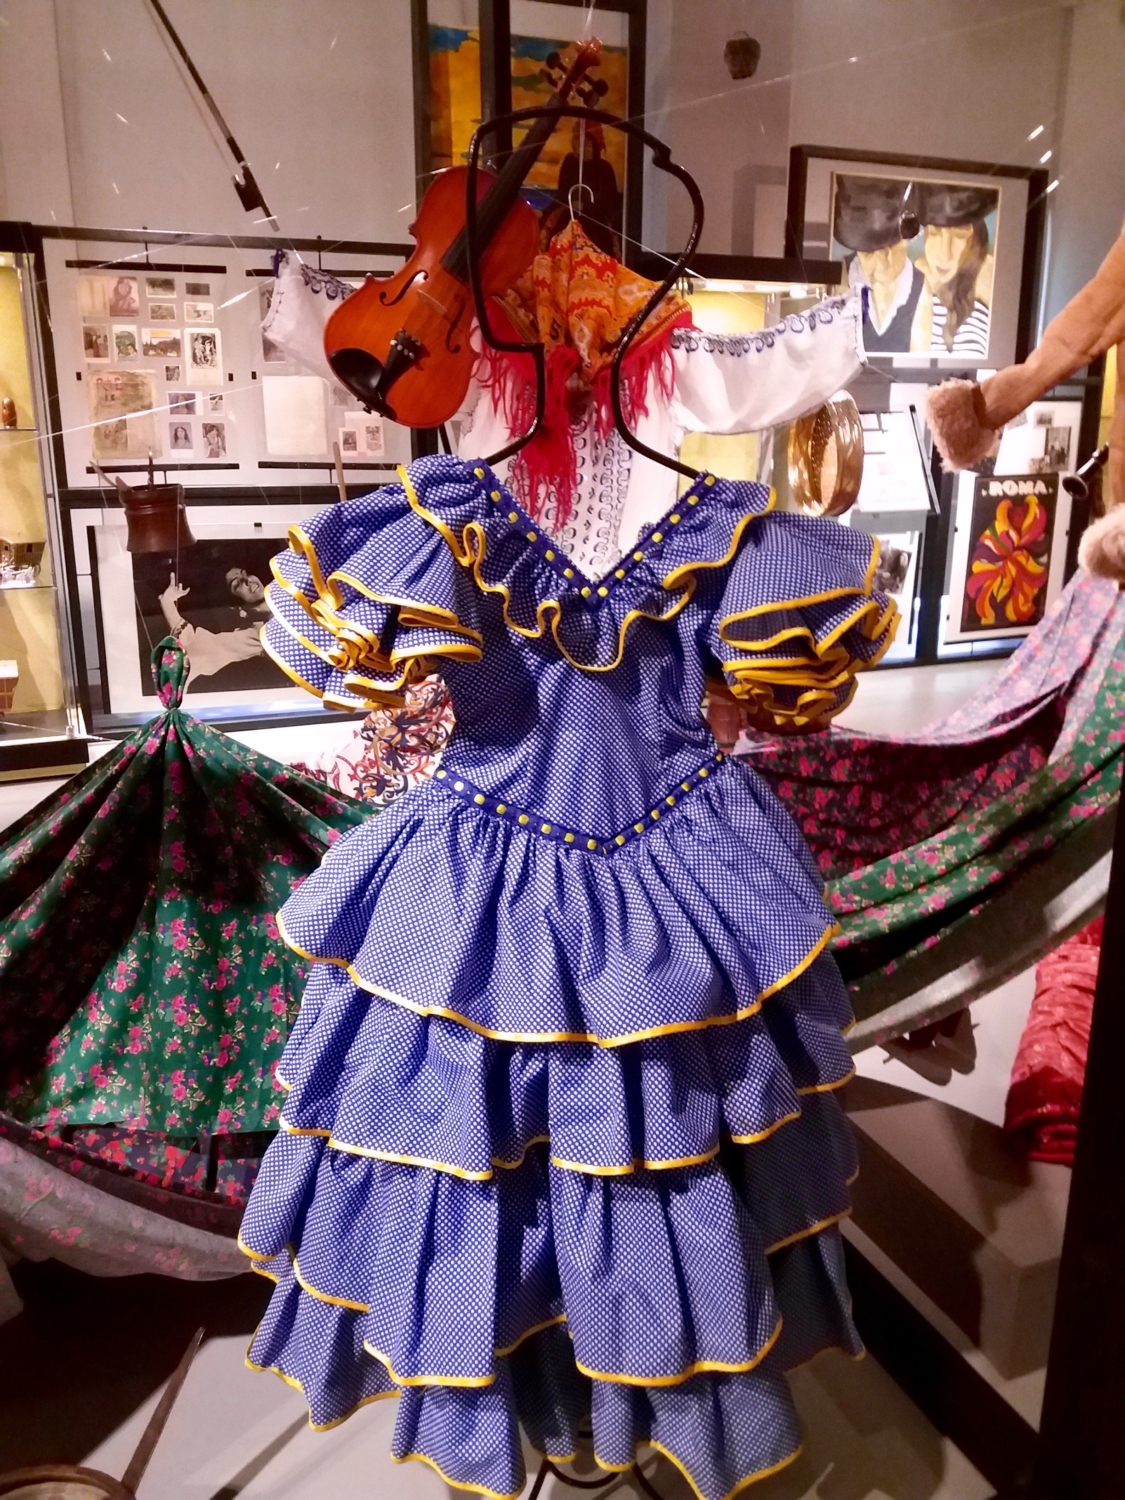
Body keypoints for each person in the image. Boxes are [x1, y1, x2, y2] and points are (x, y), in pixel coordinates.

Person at [834, 175, 932, 353]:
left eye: (891, 248)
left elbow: (920, 359)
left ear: (906, 241)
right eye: (869, 253)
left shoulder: (920, 288)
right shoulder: (841, 277)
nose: (882, 264)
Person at [914, 182, 998, 357]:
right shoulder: (911, 281)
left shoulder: (992, 277)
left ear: (975, 239)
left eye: (960, 235)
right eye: (935, 233)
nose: (945, 254)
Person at [158, 572, 263, 686]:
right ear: (239, 608)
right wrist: (167, 603)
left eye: (245, 573)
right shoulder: (259, 634)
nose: (247, 580)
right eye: (237, 584)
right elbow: (197, 649)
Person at [553, 119, 621, 256]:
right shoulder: (569, 162)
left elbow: (608, 203)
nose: (574, 141)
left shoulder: (604, 168)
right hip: (570, 216)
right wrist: (571, 205)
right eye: (575, 137)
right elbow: (562, 194)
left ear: (591, 142)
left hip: (596, 224)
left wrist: (586, 207)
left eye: (579, 138)